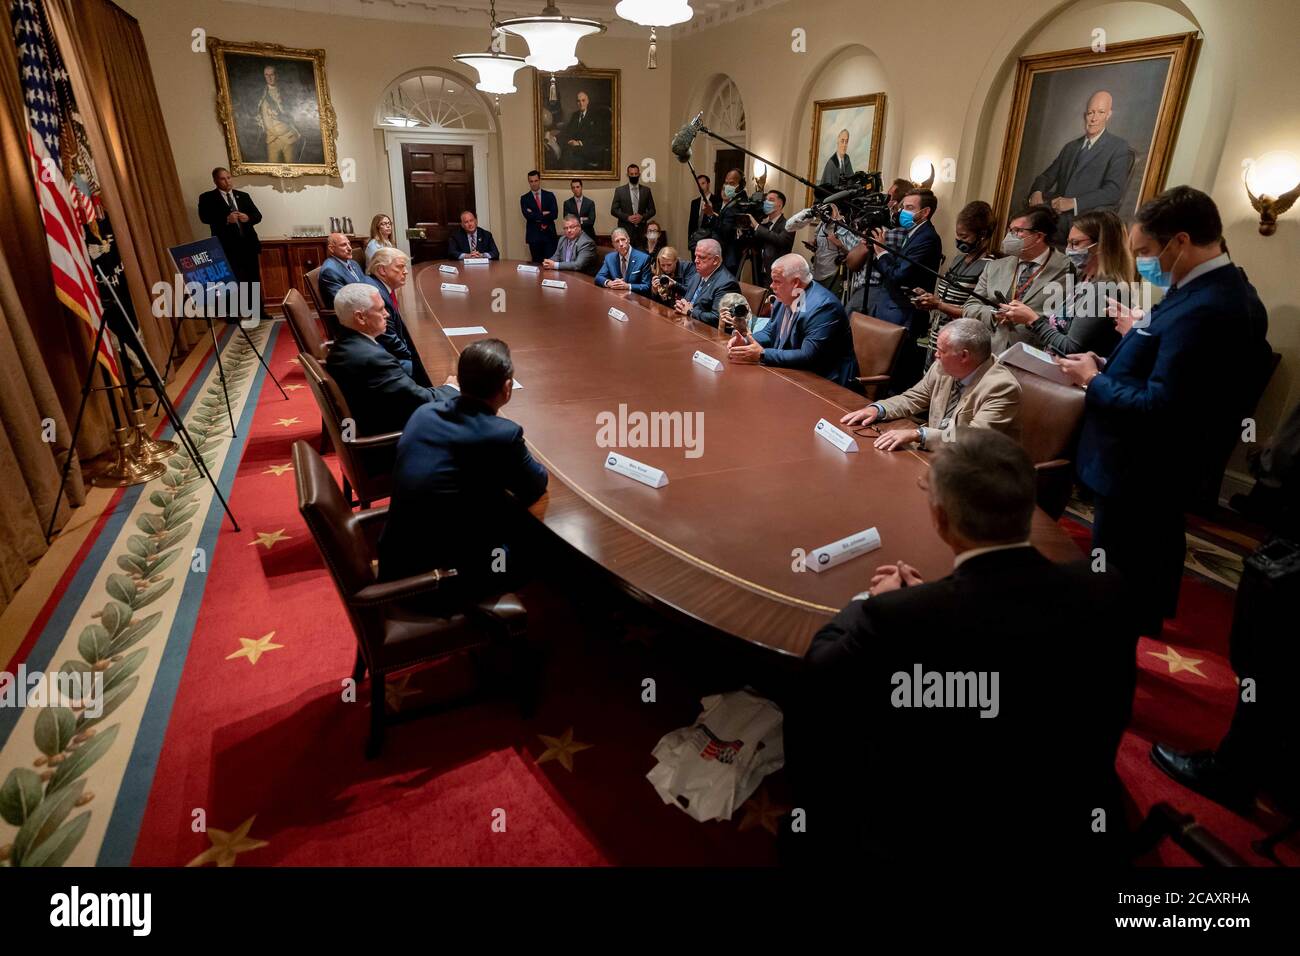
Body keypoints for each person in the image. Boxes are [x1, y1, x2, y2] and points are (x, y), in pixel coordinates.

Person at [787, 428, 1138, 864]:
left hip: (947, 832)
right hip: (1074, 818)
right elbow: (1008, 624)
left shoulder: (897, 618)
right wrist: (930, 599)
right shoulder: (1108, 589)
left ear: (940, 519)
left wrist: (873, 603)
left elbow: (819, 672)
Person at [1057, 185, 1269, 636]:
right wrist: (1109, 363)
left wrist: (1094, 380)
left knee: (1119, 584)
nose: (1143, 263)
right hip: (1144, 469)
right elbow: (1163, 365)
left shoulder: (1211, 305)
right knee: (1139, 574)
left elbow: (1163, 405)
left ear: (1181, 241)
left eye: (1147, 251)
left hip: (1142, 468)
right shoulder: (1201, 289)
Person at [378, 339, 549, 602]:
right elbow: (536, 485)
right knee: (544, 548)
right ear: (507, 388)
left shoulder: (424, 413)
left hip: (396, 558)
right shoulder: (502, 435)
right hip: (439, 582)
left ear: (459, 380)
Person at [840, 318, 1021, 450]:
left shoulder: (1001, 387)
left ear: (964, 356)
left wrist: (919, 434)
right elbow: (914, 398)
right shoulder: (943, 366)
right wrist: (878, 409)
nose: (935, 355)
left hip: (971, 466)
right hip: (934, 454)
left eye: (941, 351)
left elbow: (973, 438)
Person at [324, 283, 458, 436]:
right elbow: (418, 400)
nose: (387, 314)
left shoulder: (343, 344)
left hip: (374, 420)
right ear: (360, 317)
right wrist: (451, 388)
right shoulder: (373, 359)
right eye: (381, 309)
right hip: (391, 438)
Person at [995, 209, 1131, 357]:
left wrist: (1032, 320)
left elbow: (1071, 347)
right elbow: (1060, 326)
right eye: (1068, 243)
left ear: (1101, 245)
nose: (1068, 250)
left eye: (1075, 243)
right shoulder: (1083, 279)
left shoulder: (1105, 288)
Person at [726, 254, 856, 387]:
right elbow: (771, 331)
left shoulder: (823, 307)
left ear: (796, 283)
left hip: (825, 383)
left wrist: (763, 354)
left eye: (777, 281)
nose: (771, 286)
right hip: (792, 373)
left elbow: (808, 355)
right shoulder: (785, 296)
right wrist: (746, 341)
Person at [1028, 91, 1136, 245]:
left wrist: (1073, 202)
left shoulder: (1118, 147)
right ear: (1085, 115)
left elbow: (1113, 191)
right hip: (1054, 217)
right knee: (1024, 231)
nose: (1094, 118)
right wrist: (1036, 192)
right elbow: (1046, 176)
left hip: (1085, 221)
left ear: (1108, 115)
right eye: (1090, 113)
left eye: (1100, 112)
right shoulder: (1070, 147)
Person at [962, 204, 1072, 353]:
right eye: (1010, 230)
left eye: (1017, 231)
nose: (1009, 236)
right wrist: (994, 315)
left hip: (1037, 354)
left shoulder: (1068, 269)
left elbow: (1070, 319)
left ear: (1038, 236)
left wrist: (1029, 319)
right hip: (992, 353)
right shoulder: (995, 266)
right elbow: (970, 306)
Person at [910, 200, 997, 367]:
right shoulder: (958, 259)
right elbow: (947, 297)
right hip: (938, 335)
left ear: (982, 235)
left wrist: (939, 305)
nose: (958, 239)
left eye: (964, 236)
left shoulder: (990, 266)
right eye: (957, 234)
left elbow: (976, 313)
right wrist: (928, 297)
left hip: (961, 343)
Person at [366, 246, 430, 386]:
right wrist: (415, 357)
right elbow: (388, 339)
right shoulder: (378, 295)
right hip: (387, 362)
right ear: (382, 270)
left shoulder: (380, 287)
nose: (406, 271)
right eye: (400, 267)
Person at [197, 167, 263, 290]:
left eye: (229, 178)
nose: (227, 182)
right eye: (223, 179)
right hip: (226, 248)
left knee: (253, 281)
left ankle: (256, 309)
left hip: (248, 246)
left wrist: (247, 217)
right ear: (215, 181)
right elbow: (204, 217)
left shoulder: (243, 196)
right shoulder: (207, 197)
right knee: (233, 282)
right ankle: (237, 309)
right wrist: (226, 219)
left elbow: (258, 216)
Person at [673, 238, 739, 327]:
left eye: (702, 257)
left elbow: (718, 318)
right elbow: (688, 301)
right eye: (696, 256)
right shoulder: (698, 275)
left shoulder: (727, 284)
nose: (696, 260)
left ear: (715, 260)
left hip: (708, 335)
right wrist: (681, 305)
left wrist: (690, 312)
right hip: (688, 325)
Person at [254, 64, 302, 164]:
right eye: (267, 75)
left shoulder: (286, 91)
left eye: (272, 74)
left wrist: (281, 114)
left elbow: (294, 112)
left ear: (277, 75)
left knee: (292, 170)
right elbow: (257, 114)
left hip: (287, 137)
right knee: (273, 172)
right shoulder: (261, 93)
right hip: (271, 139)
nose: (270, 77)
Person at [745, 190, 793, 287]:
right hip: (760, 271)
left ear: (780, 204)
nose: (766, 203)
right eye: (766, 200)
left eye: (771, 200)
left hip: (777, 274)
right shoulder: (764, 225)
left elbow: (779, 240)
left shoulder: (788, 225)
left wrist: (757, 226)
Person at [713, 168, 750, 275]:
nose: (727, 186)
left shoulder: (738, 204)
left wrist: (713, 216)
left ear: (740, 185)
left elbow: (726, 231)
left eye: (732, 183)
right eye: (726, 183)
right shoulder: (733, 202)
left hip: (729, 255)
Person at [560, 90, 609, 170]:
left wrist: (579, 143)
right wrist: (570, 141)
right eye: (578, 101)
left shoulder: (595, 116)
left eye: (583, 100)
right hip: (574, 148)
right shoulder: (575, 115)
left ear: (587, 101)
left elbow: (597, 137)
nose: (581, 103)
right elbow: (568, 132)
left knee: (572, 155)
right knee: (566, 152)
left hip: (588, 148)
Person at [594, 228, 653, 295]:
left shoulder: (643, 258)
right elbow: (598, 277)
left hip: (636, 298)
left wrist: (627, 286)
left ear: (628, 240)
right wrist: (610, 283)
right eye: (617, 241)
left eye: (623, 239)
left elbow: (647, 286)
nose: (621, 244)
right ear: (613, 244)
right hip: (617, 297)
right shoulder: (610, 258)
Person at [316, 232, 367, 309]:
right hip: (351, 314)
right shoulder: (329, 271)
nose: (350, 248)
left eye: (349, 244)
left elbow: (365, 283)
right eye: (343, 245)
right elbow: (343, 301)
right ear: (331, 248)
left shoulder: (353, 263)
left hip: (363, 304)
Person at [611, 163, 656, 248]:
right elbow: (613, 210)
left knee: (641, 255)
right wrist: (627, 217)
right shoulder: (620, 191)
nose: (634, 176)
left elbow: (652, 210)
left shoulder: (646, 191)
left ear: (639, 174)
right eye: (631, 174)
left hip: (641, 231)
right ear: (627, 175)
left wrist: (642, 217)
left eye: (636, 174)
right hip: (625, 231)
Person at [520, 170, 559, 263]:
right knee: (536, 265)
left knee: (550, 264)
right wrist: (543, 213)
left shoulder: (550, 195)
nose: (534, 184)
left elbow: (554, 214)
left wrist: (534, 214)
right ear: (529, 182)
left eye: (536, 180)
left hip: (549, 236)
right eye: (531, 181)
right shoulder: (524, 198)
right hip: (534, 237)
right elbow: (528, 216)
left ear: (539, 180)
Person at [687, 173, 720, 242]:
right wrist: (690, 240)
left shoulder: (717, 200)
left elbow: (717, 221)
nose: (701, 186)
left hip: (709, 240)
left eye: (703, 183)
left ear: (708, 184)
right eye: (699, 184)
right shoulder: (694, 202)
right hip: (695, 240)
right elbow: (691, 223)